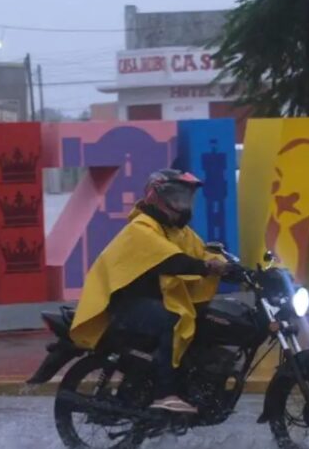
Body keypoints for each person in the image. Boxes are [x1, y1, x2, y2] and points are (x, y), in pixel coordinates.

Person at [70, 169, 229, 414]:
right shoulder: (142, 228)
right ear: (157, 198)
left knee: (205, 320)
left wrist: (231, 266)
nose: (182, 205)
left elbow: (200, 251)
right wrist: (206, 267)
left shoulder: (178, 231)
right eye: (177, 198)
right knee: (173, 321)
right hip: (127, 304)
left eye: (186, 198)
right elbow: (171, 260)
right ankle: (165, 393)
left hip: (155, 299)